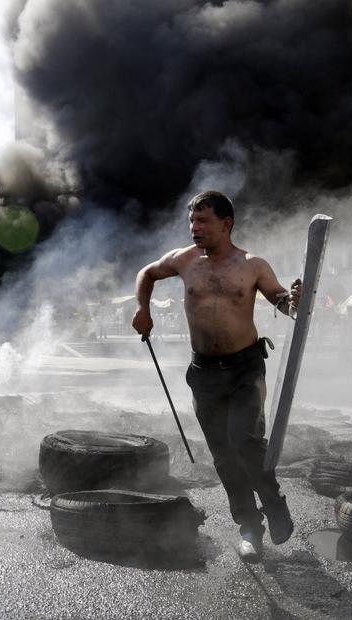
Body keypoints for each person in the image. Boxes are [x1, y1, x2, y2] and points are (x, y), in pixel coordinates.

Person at [131, 190, 301, 562]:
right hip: (203, 373)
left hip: (245, 369)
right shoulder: (184, 260)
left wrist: (295, 303)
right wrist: (143, 309)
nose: (195, 228)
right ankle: (249, 527)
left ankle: (274, 503)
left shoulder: (252, 264)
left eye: (203, 220)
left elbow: (280, 299)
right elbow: (147, 272)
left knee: (245, 440)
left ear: (226, 224)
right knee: (223, 455)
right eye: (192, 221)